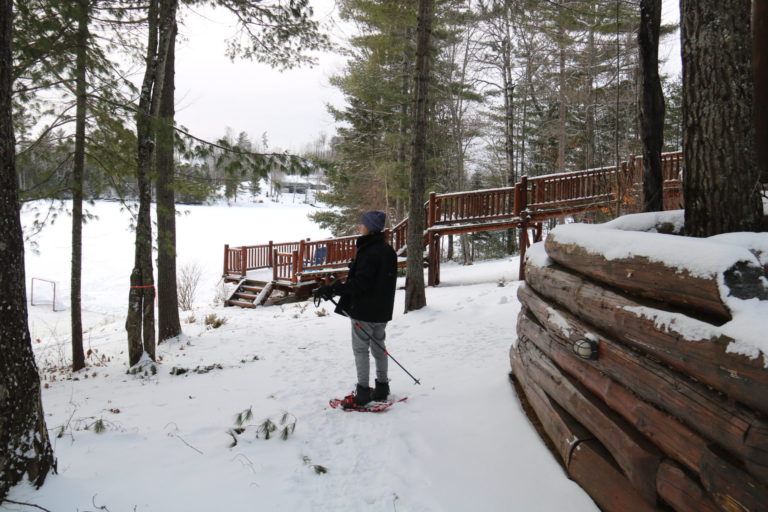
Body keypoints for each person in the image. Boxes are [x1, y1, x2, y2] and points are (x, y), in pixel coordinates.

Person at [316, 210, 398, 408]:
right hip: (382, 310)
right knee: (379, 347)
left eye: (362, 224)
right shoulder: (388, 251)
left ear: (369, 227)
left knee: (361, 350)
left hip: (365, 311)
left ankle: (362, 392)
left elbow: (361, 284)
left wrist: (334, 289)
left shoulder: (369, 252)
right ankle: (382, 387)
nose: (359, 226)